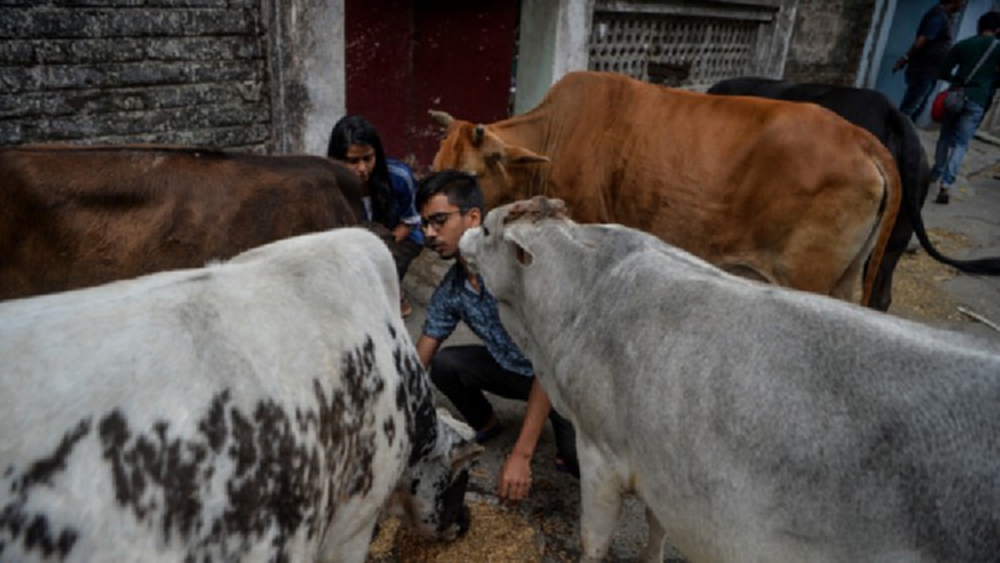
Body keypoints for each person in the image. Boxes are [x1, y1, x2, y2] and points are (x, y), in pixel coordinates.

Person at [414, 170, 579, 503]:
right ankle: (487, 424)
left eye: (439, 220)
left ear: (473, 218)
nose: (429, 233)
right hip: (513, 372)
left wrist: (521, 456)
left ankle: (564, 438)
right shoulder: (452, 291)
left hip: (558, 380)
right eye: (424, 224)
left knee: (576, 462)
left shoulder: (520, 272)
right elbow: (420, 360)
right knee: (445, 364)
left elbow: (548, 363)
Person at [327, 115, 422, 317]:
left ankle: (394, 290)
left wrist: (378, 250)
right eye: (352, 161)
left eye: (367, 158)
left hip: (393, 238)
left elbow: (410, 221)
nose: (362, 168)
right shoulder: (328, 186)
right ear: (336, 160)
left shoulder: (399, 177)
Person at [931, 11, 1000, 204]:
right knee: (961, 143)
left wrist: (957, 81)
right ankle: (946, 185)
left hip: (956, 96)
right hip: (977, 99)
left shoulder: (963, 45)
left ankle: (936, 171)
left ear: (979, 26)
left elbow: (943, 71)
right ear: (997, 30)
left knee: (945, 136)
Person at [894, 0, 965, 121]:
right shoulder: (938, 17)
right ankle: (896, 133)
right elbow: (921, 42)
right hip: (924, 69)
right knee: (911, 107)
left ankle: (905, 135)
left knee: (918, 106)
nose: (962, 4)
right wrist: (906, 58)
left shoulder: (945, 17)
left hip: (931, 71)